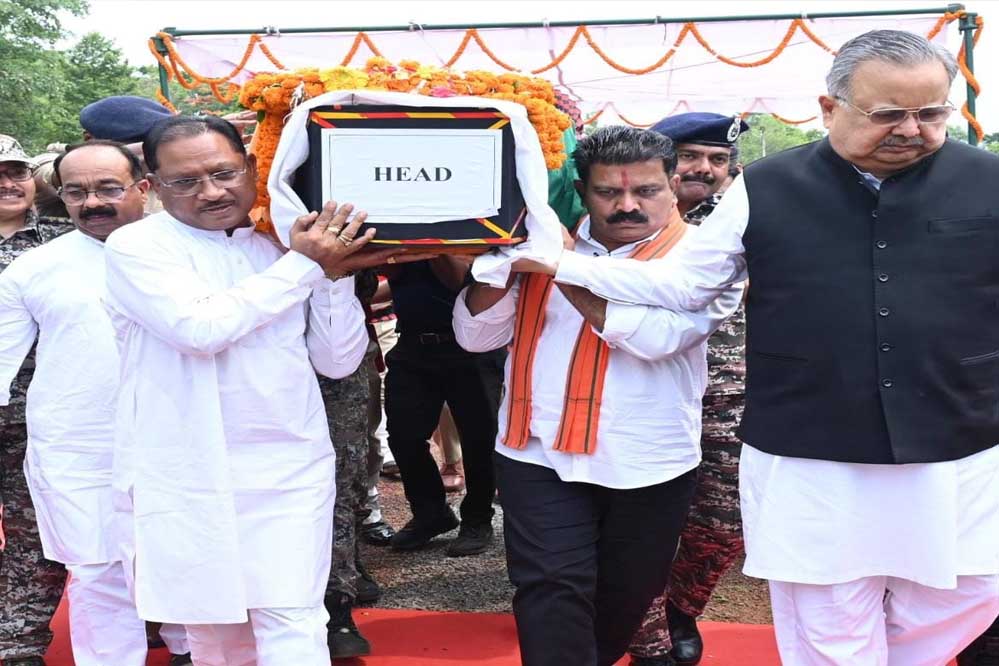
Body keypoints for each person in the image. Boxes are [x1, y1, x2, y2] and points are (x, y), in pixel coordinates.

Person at [519, 30, 999, 666]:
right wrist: (563, 264)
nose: (912, 129)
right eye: (888, 113)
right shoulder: (766, 186)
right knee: (827, 606)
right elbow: (685, 285)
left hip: (960, 432)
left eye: (931, 112)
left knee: (973, 587)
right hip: (809, 444)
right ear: (830, 109)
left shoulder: (988, 179)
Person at [103, 115, 423, 666]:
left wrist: (335, 278)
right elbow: (200, 330)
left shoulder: (280, 246)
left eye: (224, 173)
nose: (210, 192)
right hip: (185, 471)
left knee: (295, 620)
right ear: (153, 186)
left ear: (253, 168)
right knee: (216, 635)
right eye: (185, 181)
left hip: (287, 467)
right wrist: (307, 266)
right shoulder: (136, 247)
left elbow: (338, 359)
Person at [454, 126, 742, 666]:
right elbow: (475, 337)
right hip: (536, 453)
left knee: (625, 600)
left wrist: (559, 268)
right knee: (550, 587)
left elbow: (657, 340)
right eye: (608, 192)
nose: (627, 205)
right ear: (582, 191)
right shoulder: (539, 241)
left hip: (648, 460)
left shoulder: (704, 259)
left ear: (673, 184)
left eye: (646, 191)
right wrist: (501, 261)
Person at [0, 140, 191, 666]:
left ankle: (192, 649)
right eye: (76, 192)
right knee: (97, 570)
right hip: (78, 443)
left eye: (108, 188)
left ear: (142, 188)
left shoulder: (190, 251)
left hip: (179, 435)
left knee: (182, 552)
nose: (92, 203)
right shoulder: (34, 268)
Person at [629, 113, 749, 666]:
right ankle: (648, 635)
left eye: (717, 159)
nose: (705, 168)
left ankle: (681, 608)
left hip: (728, 397)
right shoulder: (625, 220)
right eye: (691, 156)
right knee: (641, 523)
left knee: (725, 523)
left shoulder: (744, 222)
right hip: (645, 393)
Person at [0, 134, 73, 666]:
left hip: (40, 412)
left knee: (36, 529)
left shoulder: (65, 239)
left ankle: (18, 641)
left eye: (16, 171)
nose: (8, 183)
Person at [385, 256, 506, 557]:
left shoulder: (464, 232)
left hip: (471, 347)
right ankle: (431, 514)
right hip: (411, 342)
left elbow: (457, 279)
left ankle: (477, 519)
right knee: (403, 434)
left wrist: (429, 241)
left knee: (480, 438)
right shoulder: (399, 230)